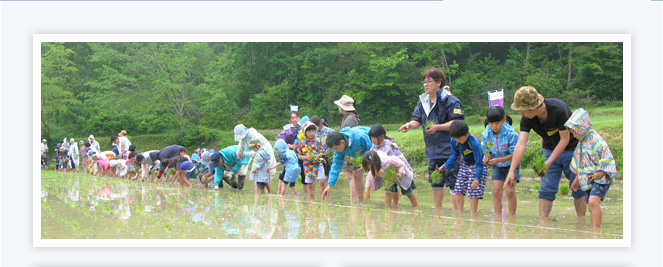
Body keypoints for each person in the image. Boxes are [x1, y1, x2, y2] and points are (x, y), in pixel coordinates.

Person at [507, 86, 586, 218]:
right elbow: (521, 144)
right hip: (549, 149)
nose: (521, 114)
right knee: (546, 190)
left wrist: (549, 162)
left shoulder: (558, 110)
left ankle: (581, 224)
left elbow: (565, 139)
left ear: (533, 107)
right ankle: (543, 226)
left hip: (571, 149)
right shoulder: (527, 118)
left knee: (578, 188)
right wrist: (511, 171)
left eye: (523, 110)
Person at [398, 67, 465, 211]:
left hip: (451, 150)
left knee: (454, 183)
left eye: (429, 81)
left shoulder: (450, 100)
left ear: (439, 83)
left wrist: (437, 127)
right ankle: (438, 213)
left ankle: (458, 215)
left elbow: (457, 123)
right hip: (433, 150)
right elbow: (417, 121)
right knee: (436, 183)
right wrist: (409, 125)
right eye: (424, 82)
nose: (425, 85)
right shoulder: (423, 101)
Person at [565, 108, 618, 231]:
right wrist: (577, 179)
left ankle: (596, 231)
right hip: (589, 178)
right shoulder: (582, 142)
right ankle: (595, 228)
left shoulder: (596, 140)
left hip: (601, 177)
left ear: (582, 128)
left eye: (574, 132)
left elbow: (607, 157)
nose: (574, 135)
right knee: (590, 204)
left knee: (593, 202)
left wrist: (601, 172)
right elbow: (581, 162)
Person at [438, 120, 487, 216]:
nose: (458, 141)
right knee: (458, 189)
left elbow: (479, 162)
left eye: (460, 138)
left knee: (473, 191)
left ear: (467, 134)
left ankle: (473, 216)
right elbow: (455, 155)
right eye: (455, 138)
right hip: (464, 165)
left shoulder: (474, 143)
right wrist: (445, 165)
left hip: (477, 166)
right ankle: (459, 215)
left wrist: (477, 178)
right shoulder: (454, 141)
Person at [481, 106, 520, 216]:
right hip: (497, 165)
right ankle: (497, 219)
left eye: (497, 123)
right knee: (497, 192)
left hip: (511, 164)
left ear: (504, 119)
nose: (494, 126)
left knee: (509, 191)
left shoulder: (511, 134)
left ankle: (512, 219)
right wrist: (487, 157)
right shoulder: (486, 134)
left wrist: (499, 159)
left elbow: (515, 154)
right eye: (491, 123)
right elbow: (486, 149)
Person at [368, 124, 418, 208]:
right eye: (371, 138)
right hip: (389, 174)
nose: (373, 140)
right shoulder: (373, 148)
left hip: (401, 172)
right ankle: (391, 211)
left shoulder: (388, 147)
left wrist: (399, 174)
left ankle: (415, 208)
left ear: (382, 136)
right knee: (388, 192)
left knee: (408, 192)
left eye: (374, 138)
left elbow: (397, 163)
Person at [322, 126, 372, 201]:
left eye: (336, 148)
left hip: (376, 149)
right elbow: (336, 165)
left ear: (342, 142)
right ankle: (361, 202)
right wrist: (329, 185)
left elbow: (372, 148)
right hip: (363, 156)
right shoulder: (340, 147)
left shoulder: (359, 138)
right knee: (356, 175)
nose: (336, 151)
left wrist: (367, 164)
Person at [332, 95, 366, 201]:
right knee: (351, 175)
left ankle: (354, 200)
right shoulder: (348, 117)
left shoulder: (350, 119)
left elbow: (351, 137)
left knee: (352, 175)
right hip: (348, 150)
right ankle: (355, 199)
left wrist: (352, 155)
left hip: (351, 150)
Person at [275, 111, 307, 193]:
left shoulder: (305, 127)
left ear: (299, 118)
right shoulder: (288, 130)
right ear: (290, 120)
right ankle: (279, 193)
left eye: (296, 117)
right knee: (283, 175)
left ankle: (307, 195)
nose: (295, 119)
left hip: (303, 155)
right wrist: (290, 146)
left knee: (304, 176)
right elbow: (279, 141)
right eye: (293, 118)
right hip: (292, 156)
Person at [295, 121, 327, 201]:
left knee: (322, 181)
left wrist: (317, 156)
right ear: (305, 132)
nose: (311, 133)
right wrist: (306, 157)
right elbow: (299, 156)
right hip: (308, 165)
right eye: (309, 131)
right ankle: (312, 202)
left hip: (318, 163)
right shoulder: (301, 143)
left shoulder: (318, 141)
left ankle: (323, 200)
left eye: (313, 131)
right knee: (310, 185)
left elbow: (322, 152)